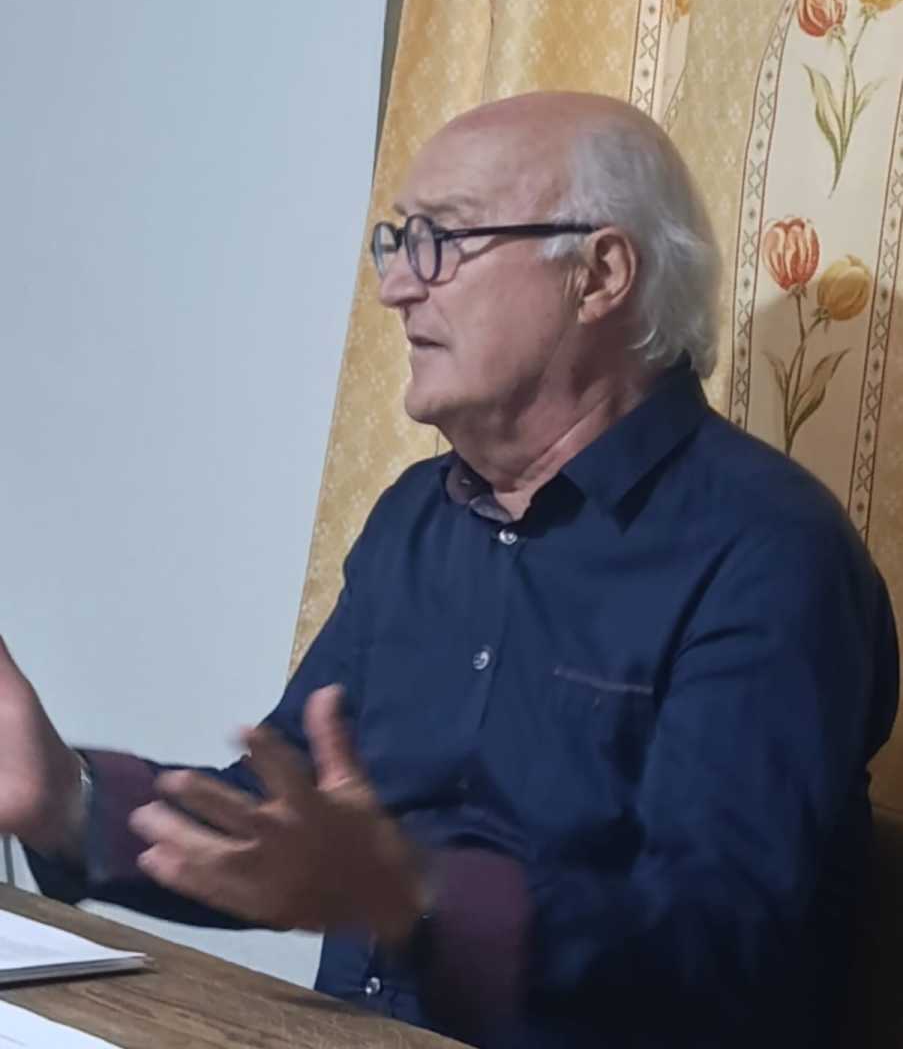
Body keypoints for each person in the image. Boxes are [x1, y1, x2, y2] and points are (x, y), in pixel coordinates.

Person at [0, 92, 897, 1049]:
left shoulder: (766, 554)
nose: (395, 288)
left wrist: (406, 892)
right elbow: (287, 829)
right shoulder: (417, 519)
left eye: (441, 241)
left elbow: (713, 948)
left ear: (598, 274)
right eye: (395, 244)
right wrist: (65, 799)